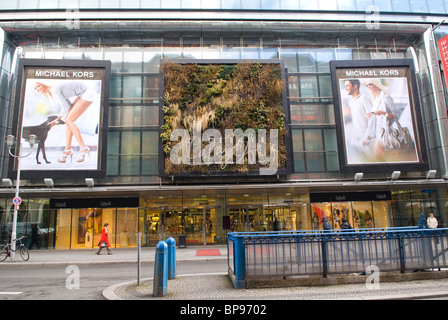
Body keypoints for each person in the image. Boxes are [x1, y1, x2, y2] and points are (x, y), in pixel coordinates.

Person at [33, 81, 96, 163]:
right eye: (35, 88)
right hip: (82, 93)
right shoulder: (53, 92)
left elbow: (65, 107)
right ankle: (67, 149)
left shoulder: (54, 90)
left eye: (38, 86)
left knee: (69, 120)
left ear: (44, 84)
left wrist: (57, 119)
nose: (37, 89)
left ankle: (83, 147)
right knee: (68, 121)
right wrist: (58, 120)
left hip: (87, 93)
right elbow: (68, 105)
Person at [365, 79, 398, 161]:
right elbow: (377, 115)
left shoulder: (386, 97)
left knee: (394, 157)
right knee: (377, 157)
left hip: (388, 132)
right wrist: (371, 114)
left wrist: (383, 113)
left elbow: (395, 116)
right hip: (379, 133)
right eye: (367, 85)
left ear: (376, 84)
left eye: (370, 84)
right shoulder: (376, 99)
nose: (368, 86)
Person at [344, 79, 376, 163]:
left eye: (347, 86)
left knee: (373, 163)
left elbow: (372, 118)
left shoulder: (364, 99)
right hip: (357, 138)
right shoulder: (351, 101)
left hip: (367, 139)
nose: (345, 88)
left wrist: (368, 137)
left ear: (355, 86)